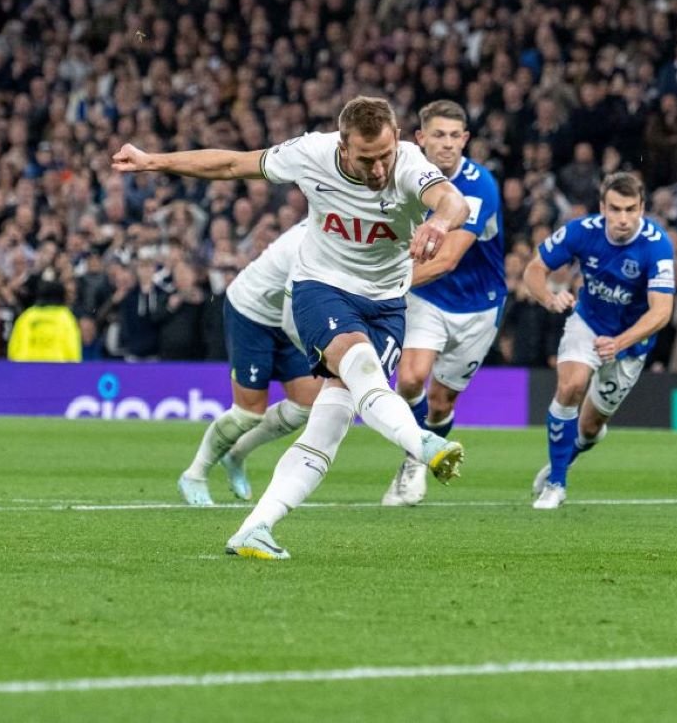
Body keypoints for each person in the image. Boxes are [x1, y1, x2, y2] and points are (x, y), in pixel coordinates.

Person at [112, 95, 471, 559]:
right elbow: (230, 165)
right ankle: (420, 443)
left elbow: (452, 201)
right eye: (366, 159)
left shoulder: (407, 165)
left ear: (397, 139)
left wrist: (439, 223)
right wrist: (152, 161)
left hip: (385, 303)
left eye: (384, 155)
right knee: (358, 360)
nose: (379, 169)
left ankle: (255, 528)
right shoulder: (311, 154)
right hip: (321, 287)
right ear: (343, 147)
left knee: (330, 424)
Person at [522, 172, 676, 509]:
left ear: (642, 208)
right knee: (571, 387)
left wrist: (621, 342)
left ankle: (566, 455)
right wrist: (550, 299)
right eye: (616, 209)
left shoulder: (656, 244)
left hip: (631, 343)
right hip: (588, 322)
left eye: (631, 210)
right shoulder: (581, 231)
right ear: (602, 207)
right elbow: (533, 269)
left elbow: (661, 312)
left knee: (590, 427)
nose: (623, 219)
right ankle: (556, 482)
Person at [383, 100, 505, 507]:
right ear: (420, 138)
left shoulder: (479, 185)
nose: (448, 144)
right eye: (438, 135)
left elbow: (447, 259)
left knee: (442, 401)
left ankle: (421, 446)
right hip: (427, 299)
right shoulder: (407, 174)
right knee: (412, 379)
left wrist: (379, 285)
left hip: (478, 305)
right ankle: (416, 461)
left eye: (455, 136)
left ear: (466, 139)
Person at [173, 220, 323, 507]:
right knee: (248, 413)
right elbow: (295, 317)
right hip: (252, 313)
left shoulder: (339, 234)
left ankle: (236, 455)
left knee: (306, 403)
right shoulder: (310, 245)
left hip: (285, 316)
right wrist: (319, 351)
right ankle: (195, 474)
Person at [7, 279, 81, 362]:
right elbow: (72, 347)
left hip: (28, 368)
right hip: (57, 369)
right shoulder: (65, 317)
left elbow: (14, 347)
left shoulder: (27, 316)